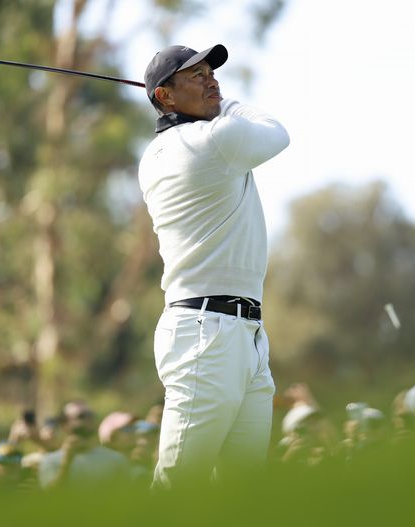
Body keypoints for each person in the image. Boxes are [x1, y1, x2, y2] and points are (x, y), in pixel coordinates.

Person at [138, 43, 290, 489]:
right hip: (207, 333)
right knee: (177, 487)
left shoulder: (189, 143)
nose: (213, 82)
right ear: (164, 97)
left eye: (211, 73)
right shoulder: (208, 142)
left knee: (241, 495)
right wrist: (230, 105)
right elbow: (276, 131)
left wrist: (213, 104)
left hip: (244, 333)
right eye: (197, 76)